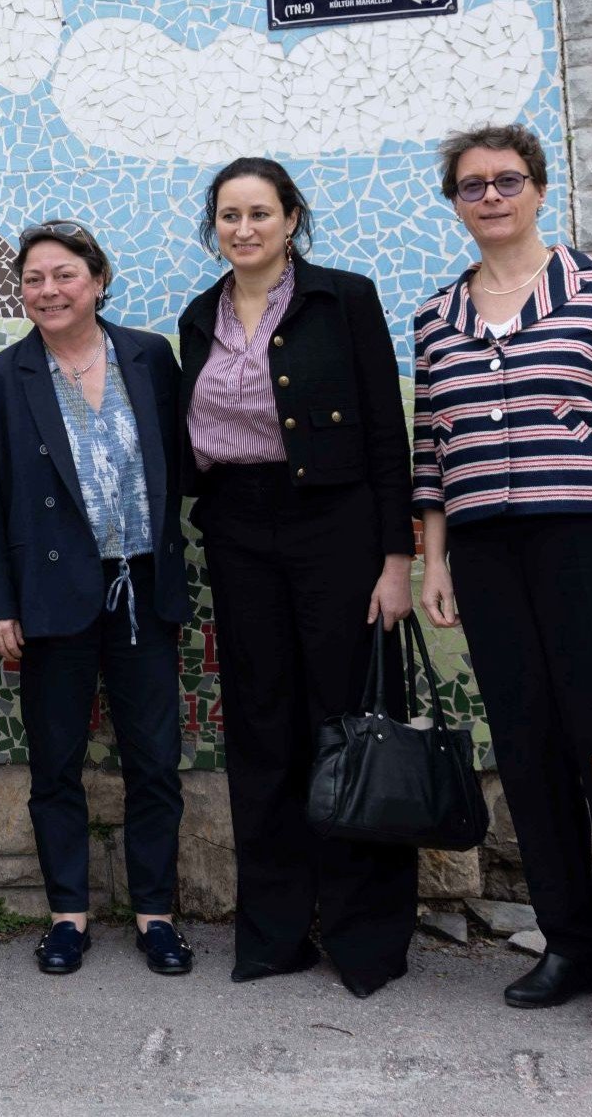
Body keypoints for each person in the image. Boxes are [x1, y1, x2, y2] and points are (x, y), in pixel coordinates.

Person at [413, 124, 592, 1035]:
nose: (490, 197)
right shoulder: (435, 315)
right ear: (455, 204)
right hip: (488, 555)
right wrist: (434, 559)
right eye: (471, 186)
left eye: (506, 181)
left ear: (539, 188)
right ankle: (567, 940)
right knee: (529, 754)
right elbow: (432, 454)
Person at [174, 160, 417, 997]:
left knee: (346, 728)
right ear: (215, 227)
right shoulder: (197, 316)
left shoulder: (342, 299)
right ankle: (274, 932)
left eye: (261, 213)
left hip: (337, 531)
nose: (245, 229)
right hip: (238, 533)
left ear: (291, 219)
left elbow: (387, 433)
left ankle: (365, 938)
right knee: (261, 730)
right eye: (230, 216)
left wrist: (397, 560)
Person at [0, 220, 193, 979]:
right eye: (34, 279)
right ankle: (68, 916)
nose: (49, 291)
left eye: (65, 275)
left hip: (141, 589)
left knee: (153, 761)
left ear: (97, 280)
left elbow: (184, 468)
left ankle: (157, 915)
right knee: (54, 765)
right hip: (50, 598)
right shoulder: (2, 379)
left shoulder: (150, 359)